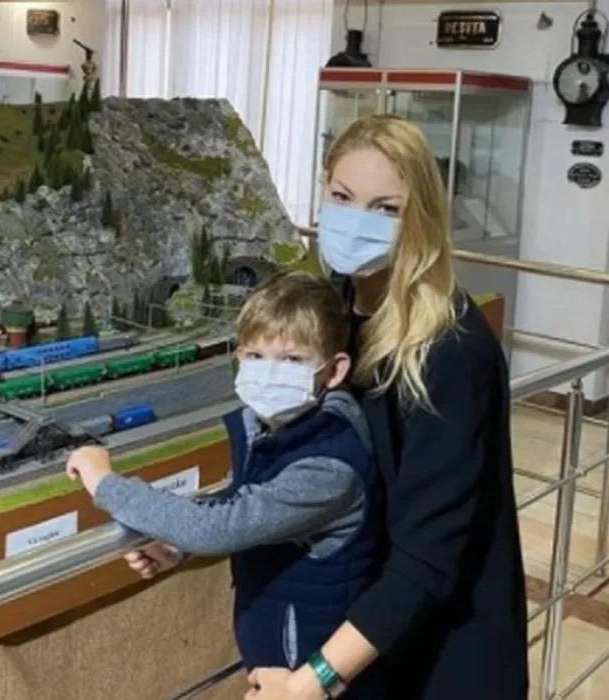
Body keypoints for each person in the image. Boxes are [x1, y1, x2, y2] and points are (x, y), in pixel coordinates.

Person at [246, 115, 528, 699]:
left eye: (385, 208)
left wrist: (314, 682)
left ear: (419, 217)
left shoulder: (451, 349)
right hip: (364, 638)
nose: (356, 221)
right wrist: (185, 536)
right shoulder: (333, 311)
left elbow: (428, 558)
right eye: (343, 197)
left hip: (442, 654)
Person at [67, 271, 386, 698]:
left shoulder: (328, 465)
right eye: (255, 355)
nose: (269, 373)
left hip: (308, 680)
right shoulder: (276, 431)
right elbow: (250, 503)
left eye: (292, 360)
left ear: (334, 370)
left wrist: (104, 482)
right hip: (282, 670)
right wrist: (176, 546)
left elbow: (220, 527)